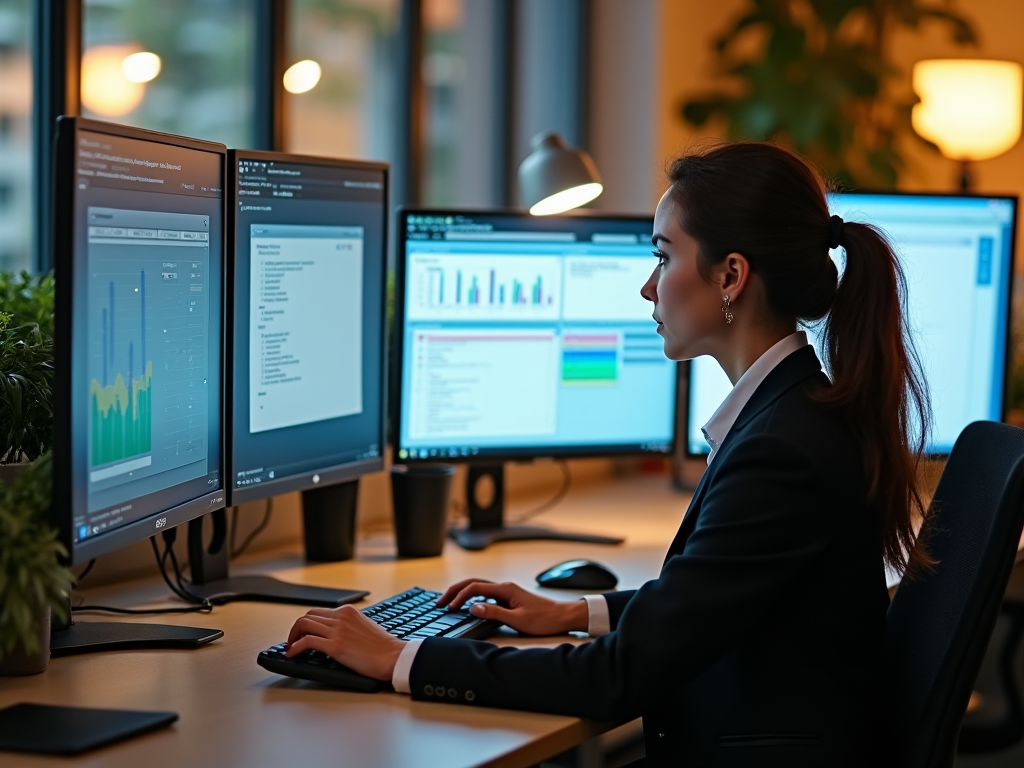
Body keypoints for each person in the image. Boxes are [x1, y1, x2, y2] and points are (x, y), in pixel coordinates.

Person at [284, 142, 931, 767]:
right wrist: (573, 610)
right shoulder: (795, 410)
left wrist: (401, 658)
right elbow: (706, 603)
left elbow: (620, 677)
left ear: (731, 276)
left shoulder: (780, 451)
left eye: (662, 256)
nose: (648, 289)